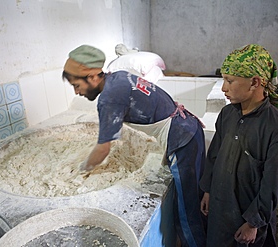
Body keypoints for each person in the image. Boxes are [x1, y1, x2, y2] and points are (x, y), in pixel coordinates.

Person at [62, 44, 206, 247]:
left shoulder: (108, 98)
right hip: (190, 128)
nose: (77, 92)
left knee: (187, 212)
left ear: (93, 76)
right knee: (194, 203)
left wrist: (82, 169)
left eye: (77, 85)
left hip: (182, 140)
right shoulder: (118, 76)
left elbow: (103, 148)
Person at [199, 44, 278, 246]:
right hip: (220, 207)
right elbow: (214, 155)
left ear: (255, 83)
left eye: (230, 81)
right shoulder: (227, 114)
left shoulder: (275, 126)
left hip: (247, 219)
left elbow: (273, 182)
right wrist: (207, 190)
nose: (224, 88)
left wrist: (253, 222)